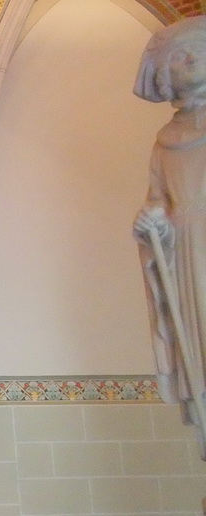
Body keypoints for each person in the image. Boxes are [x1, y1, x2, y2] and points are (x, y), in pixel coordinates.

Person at [133, 17, 206, 457]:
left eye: (198, 49)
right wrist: (153, 221)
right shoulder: (166, 142)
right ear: (165, 75)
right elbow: (158, 200)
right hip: (189, 255)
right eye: (180, 56)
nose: (193, 58)